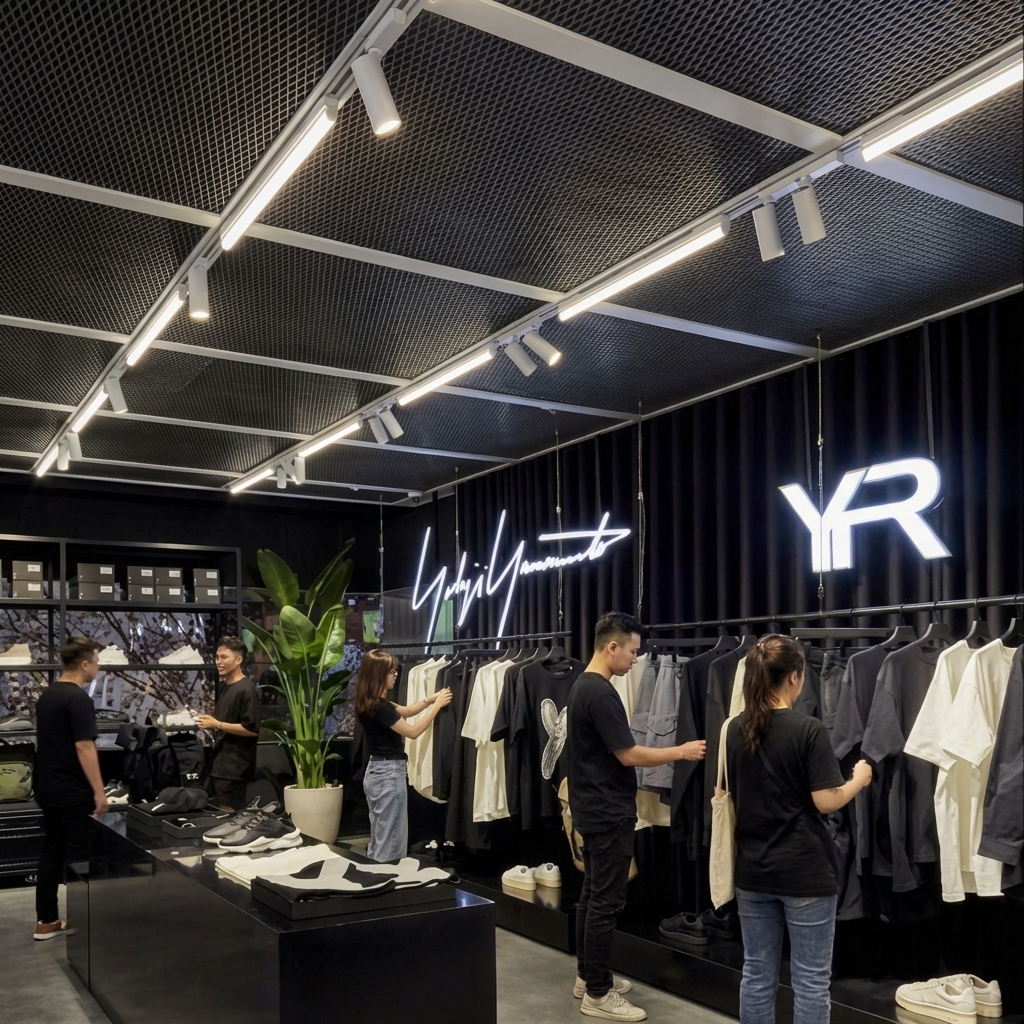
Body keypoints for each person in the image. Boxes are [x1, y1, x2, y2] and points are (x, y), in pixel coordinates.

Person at [567, 611, 707, 1022]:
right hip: (607, 812)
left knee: (592, 896)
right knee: (605, 902)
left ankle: (588, 977)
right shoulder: (600, 693)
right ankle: (597, 993)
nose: (634, 660)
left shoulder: (585, 686)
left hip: (593, 808)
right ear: (612, 646)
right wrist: (681, 751)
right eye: (631, 652)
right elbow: (628, 755)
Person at [725, 635, 873, 1024]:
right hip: (805, 872)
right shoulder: (808, 729)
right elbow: (826, 801)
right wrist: (859, 779)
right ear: (794, 677)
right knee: (810, 981)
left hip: (753, 870)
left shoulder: (734, 729)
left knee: (757, 973)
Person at [33, 637, 108, 940]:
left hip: (47, 785)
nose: (98, 667)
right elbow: (84, 746)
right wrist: (100, 792)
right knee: (81, 854)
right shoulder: (78, 699)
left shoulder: (47, 696)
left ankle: (46, 920)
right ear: (85, 664)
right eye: (97, 662)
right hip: (71, 789)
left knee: (52, 851)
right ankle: (86, 923)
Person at [353, 650, 452, 862]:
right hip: (388, 774)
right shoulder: (379, 707)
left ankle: (375, 872)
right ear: (379, 674)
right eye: (391, 672)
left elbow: (406, 711)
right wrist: (436, 706)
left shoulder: (372, 702)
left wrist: (429, 699)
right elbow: (412, 732)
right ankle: (385, 876)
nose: (395, 675)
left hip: (377, 772)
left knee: (381, 834)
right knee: (391, 839)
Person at [197, 636, 260, 810]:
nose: (218, 662)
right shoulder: (227, 686)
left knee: (229, 816)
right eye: (217, 657)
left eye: (224, 657)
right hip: (221, 766)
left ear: (238, 660)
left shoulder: (246, 689)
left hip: (235, 769)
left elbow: (251, 729)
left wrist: (216, 724)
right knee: (219, 814)